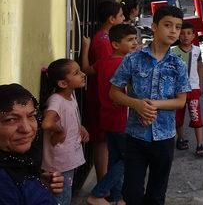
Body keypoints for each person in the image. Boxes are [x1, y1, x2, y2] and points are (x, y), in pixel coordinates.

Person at [110, 5, 191, 204]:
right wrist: (136, 104)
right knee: (131, 194)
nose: (173, 31)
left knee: (156, 195)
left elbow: (181, 101)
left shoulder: (178, 64)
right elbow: (114, 92)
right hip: (136, 137)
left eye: (178, 27)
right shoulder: (133, 59)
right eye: (167, 25)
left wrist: (153, 105)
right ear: (154, 27)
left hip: (164, 138)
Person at [81, 24, 139, 205]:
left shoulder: (103, 62)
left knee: (115, 159)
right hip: (122, 119)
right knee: (130, 158)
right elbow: (131, 92)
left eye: (135, 39)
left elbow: (85, 69)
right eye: (130, 40)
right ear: (114, 44)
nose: (135, 43)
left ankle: (117, 197)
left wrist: (85, 49)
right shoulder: (126, 65)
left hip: (106, 119)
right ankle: (98, 193)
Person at [0, 83, 64, 204]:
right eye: (11, 119)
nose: (27, 129)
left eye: (31, 116)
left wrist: (39, 187)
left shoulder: (19, 163)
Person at [41, 59, 90, 205]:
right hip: (59, 162)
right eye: (76, 73)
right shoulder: (56, 100)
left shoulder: (71, 95)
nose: (82, 75)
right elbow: (47, 123)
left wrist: (80, 128)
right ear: (63, 83)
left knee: (64, 195)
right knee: (61, 199)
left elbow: (70, 116)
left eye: (80, 71)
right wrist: (60, 131)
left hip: (67, 157)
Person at [87, 0, 125, 181]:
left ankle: (106, 182)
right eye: (121, 16)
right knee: (102, 141)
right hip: (104, 98)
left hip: (104, 97)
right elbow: (107, 72)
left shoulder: (105, 38)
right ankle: (104, 183)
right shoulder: (104, 42)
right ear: (111, 19)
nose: (124, 19)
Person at [171, 21, 203, 157]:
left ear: (193, 35)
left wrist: (201, 85)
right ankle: (181, 138)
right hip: (178, 91)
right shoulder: (173, 52)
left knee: (196, 116)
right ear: (178, 36)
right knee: (178, 117)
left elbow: (200, 67)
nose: (186, 36)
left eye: (189, 33)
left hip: (193, 89)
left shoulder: (197, 50)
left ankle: (200, 144)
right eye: (182, 33)